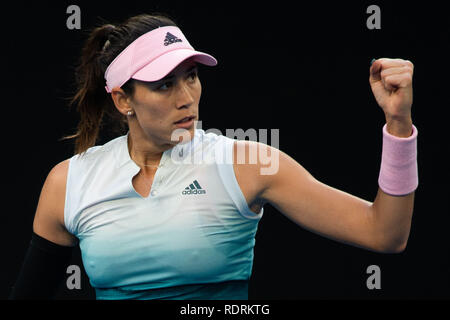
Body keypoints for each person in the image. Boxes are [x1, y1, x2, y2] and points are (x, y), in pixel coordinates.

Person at [9, 13, 418, 300]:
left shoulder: (249, 164)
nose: (187, 98)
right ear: (122, 100)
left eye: (191, 76)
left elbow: (384, 234)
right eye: (164, 84)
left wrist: (398, 125)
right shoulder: (70, 182)